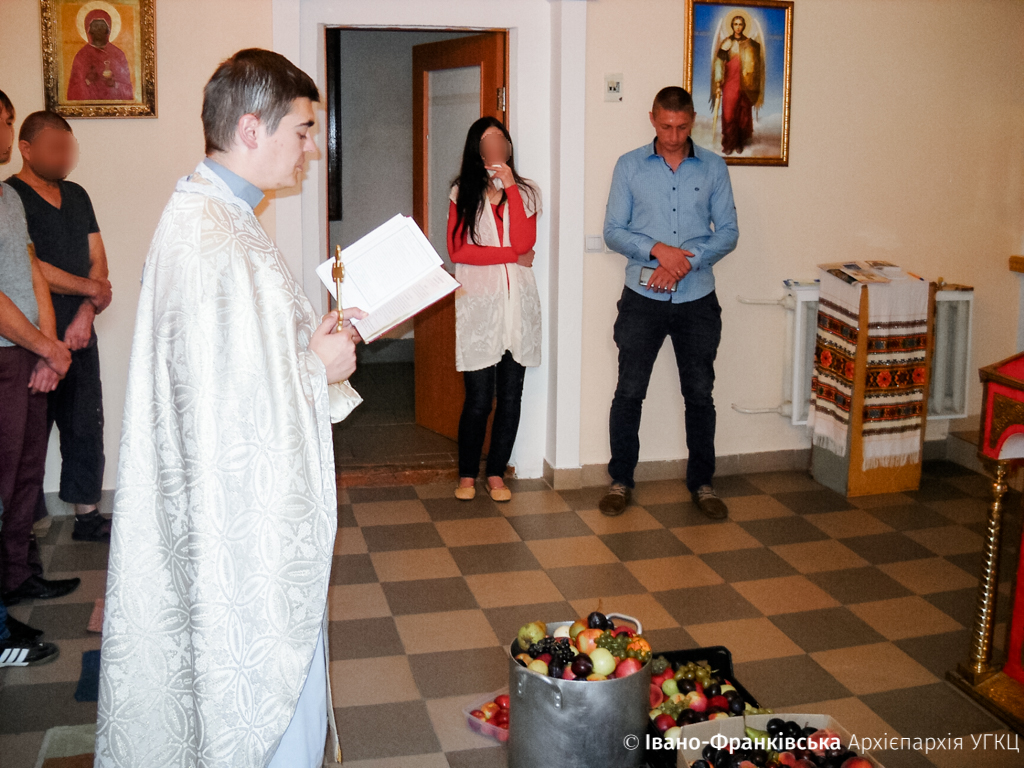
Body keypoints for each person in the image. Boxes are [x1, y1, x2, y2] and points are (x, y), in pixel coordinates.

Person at [95, 49, 364, 768]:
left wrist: (311, 346)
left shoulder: (223, 218)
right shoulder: (208, 235)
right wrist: (316, 370)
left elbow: (240, 364)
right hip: (238, 524)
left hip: (244, 508)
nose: (311, 149)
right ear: (251, 129)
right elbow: (224, 407)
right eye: (302, 130)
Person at [600, 86, 738, 519]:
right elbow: (613, 231)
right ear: (652, 119)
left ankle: (703, 484)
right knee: (629, 392)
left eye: (680, 127)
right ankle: (620, 481)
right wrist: (659, 250)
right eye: (665, 127)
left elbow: (728, 232)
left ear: (692, 120)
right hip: (642, 299)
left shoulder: (714, 167)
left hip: (697, 299)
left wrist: (683, 262)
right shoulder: (629, 166)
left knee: (699, 395)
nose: (673, 136)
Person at [7, 112, 113, 544]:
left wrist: (87, 311)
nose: (65, 157)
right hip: (31, 340)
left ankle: (88, 516)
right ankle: (23, 533)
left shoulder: (77, 195)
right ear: (26, 149)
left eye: (69, 148)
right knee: (26, 439)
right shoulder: (11, 198)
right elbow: (31, 267)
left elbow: (97, 258)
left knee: (86, 425)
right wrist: (92, 289)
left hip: (81, 334)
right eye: (55, 148)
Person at [0, 87, 66, 667]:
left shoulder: (6, 197)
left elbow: (29, 269)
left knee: (25, 475)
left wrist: (48, 349)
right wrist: (44, 345)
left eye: (6, 120)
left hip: (27, 353)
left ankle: (16, 578)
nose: (4, 131)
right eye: (2, 122)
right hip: (4, 352)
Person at [447, 117, 541, 502]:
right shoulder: (462, 192)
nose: (495, 145)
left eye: (500, 138)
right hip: (479, 307)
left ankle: (497, 473)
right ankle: (468, 475)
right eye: (487, 140)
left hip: (518, 305)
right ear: (477, 149)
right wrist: (511, 257)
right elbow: (459, 250)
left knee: (511, 397)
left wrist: (511, 187)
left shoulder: (527, 192)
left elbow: (524, 241)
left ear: (508, 146)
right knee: (479, 399)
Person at [711, 14, 764, 156]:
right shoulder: (727, 43)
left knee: (743, 115)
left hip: (746, 85)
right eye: (735, 24)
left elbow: (757, 67)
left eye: (740, 24)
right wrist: (718, 80)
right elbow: (719, 62)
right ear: (732, 26)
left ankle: (740, 143)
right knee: (729, 114)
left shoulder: (751, 44)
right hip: (730, 83)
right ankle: (729, 144)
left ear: (744, 26)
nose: (738, 27)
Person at [67, 8, 134, 101]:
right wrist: (87, 81)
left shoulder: (118, 54)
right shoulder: (82, 55)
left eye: (102, 26)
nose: (99, 29)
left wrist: (114, 84)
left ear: (108, 29)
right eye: (95, 26)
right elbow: (72, 91)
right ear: (89, 30)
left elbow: (128, 90)